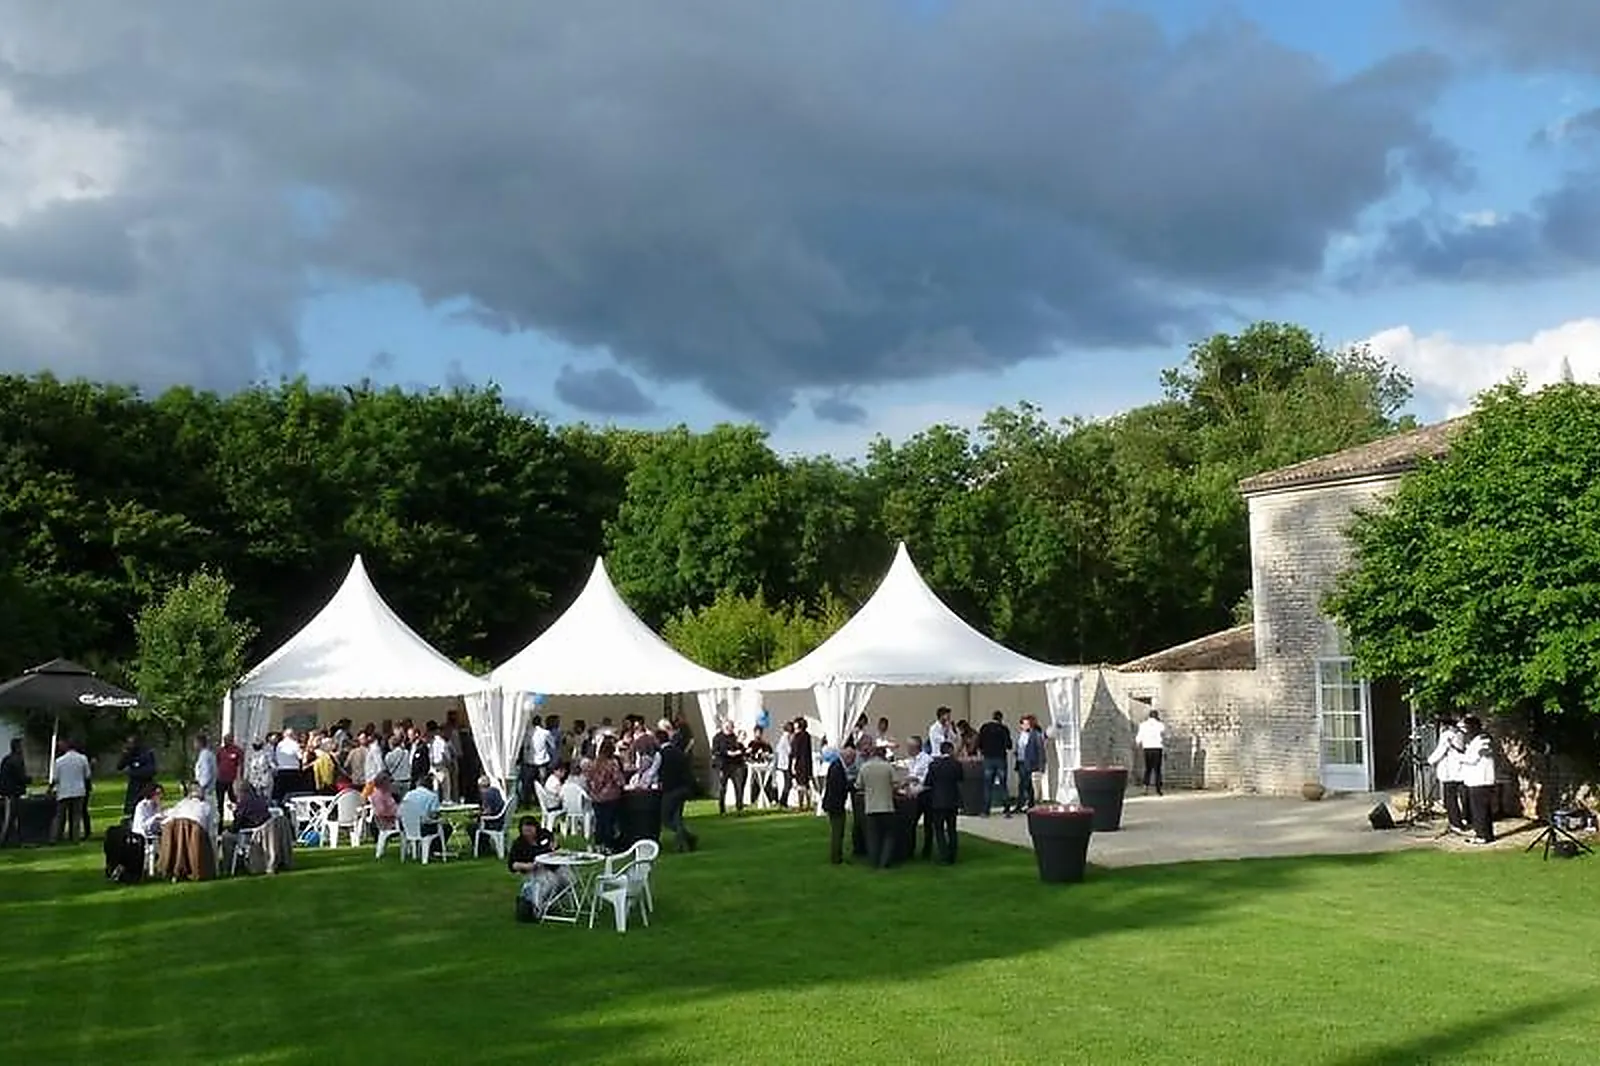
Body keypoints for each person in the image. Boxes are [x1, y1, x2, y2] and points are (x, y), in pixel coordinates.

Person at [508, 815, 566, 918]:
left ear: (536, 828)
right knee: (550, 881)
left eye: (530, 830)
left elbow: (555, 846)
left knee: (568, 879)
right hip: (535, 870)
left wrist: (556, 849)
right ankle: (537, 907)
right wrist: (527, 866)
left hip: (553, 865)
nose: (528, 833)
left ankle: (550, 902)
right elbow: (512, 865)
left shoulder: (544, 835)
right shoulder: (519, 844)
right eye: (525, 831)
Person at [856, 743, 897, 869]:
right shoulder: (888, 767)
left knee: (873, 836)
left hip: (871, 806)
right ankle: (885, 862)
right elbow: (895, 784)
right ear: (884, 754)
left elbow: (858, 786)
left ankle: (874, 861)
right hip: (887, 806)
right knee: (889, 835)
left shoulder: (864, 767)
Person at [1457, 715, 1497, 845]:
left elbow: (1473, 759)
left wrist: (1457, 756)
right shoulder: (1476, 740)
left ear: (1475, 727)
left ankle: (1483, 836)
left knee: (1480, 810)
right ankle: (1483, 833)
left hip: (1481, 779)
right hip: (1475, 780)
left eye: (1468, 728)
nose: (1467, 731)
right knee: (1479, 809)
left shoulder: (1483, 740)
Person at [924, 741, 964, 864]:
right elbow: (960, 778)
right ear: (950, 750)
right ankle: (953, 854)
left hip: (937, 800)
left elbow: (928, 782)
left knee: (939, 829)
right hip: (952, 800)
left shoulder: (934, 765)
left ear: (941, 751)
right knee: (952, 828)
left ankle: (944, 855)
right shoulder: (956, 764)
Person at [658, 731, 698, 853]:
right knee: (677, 817)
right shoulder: (678, 752)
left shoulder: (661, 754)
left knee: (665, 818)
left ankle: (687, 837)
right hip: (684, 788)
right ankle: (682, 843)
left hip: (671, 789)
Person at [1427, 715, 1467, 833]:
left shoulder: (1447, 735)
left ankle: (1455, 823)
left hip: (1450, 772)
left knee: (1450, 800)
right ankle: (1463, 819)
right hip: (1459, 770)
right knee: (1460, 797)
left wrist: (1429, 760)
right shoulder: (1461, 733)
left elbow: (1441, 750)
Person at [52, 740, 93, 843]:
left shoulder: (59, 761)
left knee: (60, 816)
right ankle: (75, 837)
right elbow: (87, 775)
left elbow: (56, 778)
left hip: (64, 791)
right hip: (78, 791)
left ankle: (55, 837)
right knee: (76, 816)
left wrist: (51, 787)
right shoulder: (82, 759)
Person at [977, 711, 1013, 815]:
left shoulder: (984, 728)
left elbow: (979, 743)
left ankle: (986, 810)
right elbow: (1009, 745)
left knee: (987, 785)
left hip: (988, 759)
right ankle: (1006, 809)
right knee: (1003, 785)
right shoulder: (1003, 729)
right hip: (1000, 759)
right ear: (1001, 718)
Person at [711, 720, 748, 815]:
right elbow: (715, 751)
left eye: (731, 727)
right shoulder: (717, 738)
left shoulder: (734, 737)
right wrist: (727, 753)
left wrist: (740, 749)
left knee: (739, 787)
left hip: (736, 765)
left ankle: (739, 807)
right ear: (723, 727)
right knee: (723, 788)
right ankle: (722, 808)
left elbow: (741, 749)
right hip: (723, 765)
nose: (729, 728)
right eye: (727, 726)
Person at [820, 746, 850, 865]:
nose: (852, 762)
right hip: (835, 804)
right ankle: (836, 858)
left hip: (833, 803)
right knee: (838, 832)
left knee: (837, 831)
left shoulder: (836, 765)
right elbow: (839, 787)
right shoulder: (838, 768)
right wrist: (850, 786)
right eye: (851, 759)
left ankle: (837, 856)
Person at [116, 734, 157, 815]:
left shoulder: (146, 753)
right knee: (132, 808)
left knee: (147, 809)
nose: (130, 745)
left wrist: (133, 772)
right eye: (128, 743)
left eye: (131, 743)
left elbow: (151, 770)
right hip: (134, 785)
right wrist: (125, 754)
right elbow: (120, 766)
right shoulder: (130, 753)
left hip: (146, 785)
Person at [1015, 715, 1046, 811]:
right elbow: (1019, 746)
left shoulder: (1035, 735)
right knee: (1025, 784)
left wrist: (1041, 765)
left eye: (1025, 724)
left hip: (1029, 762)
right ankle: (1027, 803)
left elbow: (1040, 750)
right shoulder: (1021, 734)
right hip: (1020, 761)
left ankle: (1024, 803)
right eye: (1022, 723)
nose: (1023, 726)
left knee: (1024, 783)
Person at [1, 738, 28, 845]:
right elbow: (20, 777)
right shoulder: (16, 760)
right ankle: (4, 840)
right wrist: (29, 779)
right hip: (13, 792)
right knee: (10, 817)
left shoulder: (7, 759)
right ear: (17, 748)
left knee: (13, 817)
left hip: (9, 791)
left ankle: (14, 839)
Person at [1136, 709, 1166, 796]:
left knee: (1148, 769)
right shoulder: (1160, 725)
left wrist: (1138, 744)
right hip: (1157, 748)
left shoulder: (1143, 725)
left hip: (1147, 748)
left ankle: (1145, 788)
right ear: (1156, 716)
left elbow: (1139, 737)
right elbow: (1163, 734)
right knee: (1157, 770)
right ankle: (1158, 789)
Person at [789, 719, 814, 810]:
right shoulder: (807, 736)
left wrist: (793, 764)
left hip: (799, 763)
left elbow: (795, 752)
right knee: (806, 784)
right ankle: (808, 803)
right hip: (807, 762)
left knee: (800, 784)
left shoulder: (797, 736)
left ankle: (800, 804)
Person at [216, 734, 244, 809]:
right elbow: (218, 762)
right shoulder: (220, 751)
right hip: (221, 779)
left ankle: (238, 814)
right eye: (224, 740)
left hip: (232, 780)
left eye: (228, 740)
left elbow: (240, 765)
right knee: (220, 800)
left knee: (233, 798)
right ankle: (220, 818)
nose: (225, 741)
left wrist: (239, 779)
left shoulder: (237, 751)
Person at [193, 734, 218, 809]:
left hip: (205, 791)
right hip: (209, 789)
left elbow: (206, 773)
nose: (194, 745)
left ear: (199, 743)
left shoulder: (205, 755)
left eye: (195, 743)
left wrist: (201, 788)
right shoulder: (209, 754)